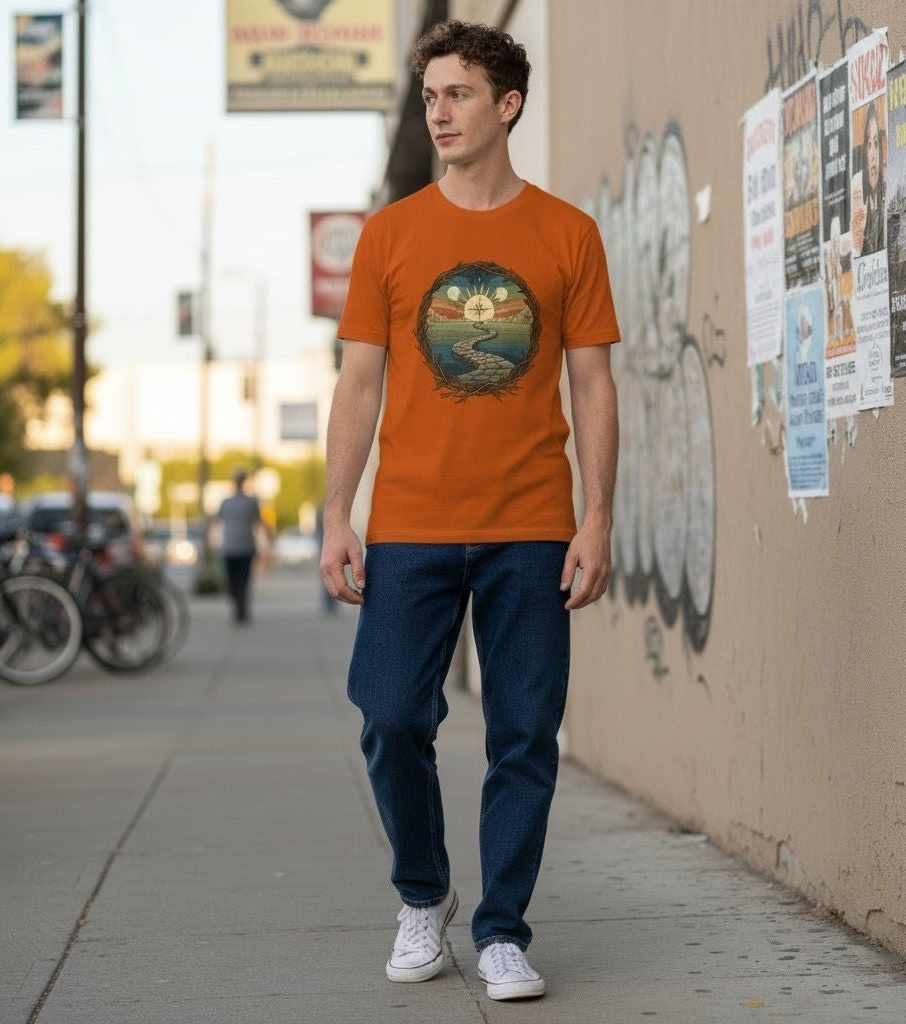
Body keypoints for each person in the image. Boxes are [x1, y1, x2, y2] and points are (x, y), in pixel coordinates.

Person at [319, 20, 620, 1002]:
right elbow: (358, 384)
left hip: (532, 521)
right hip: (409, 522)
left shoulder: (565, 233)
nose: (437, 112)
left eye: (456, 95)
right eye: (429, 96)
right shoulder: (391, 234)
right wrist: (336, 514)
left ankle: (501, 931)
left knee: (525, 729)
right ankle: (423, 894)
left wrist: (598, 519)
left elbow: (594, 386)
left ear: (507, 106)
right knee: (391, 714)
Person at [216, 467, 268, 624]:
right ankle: (240, 608)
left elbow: (258, 524)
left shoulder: (240, 502)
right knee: (240, 581)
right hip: (238, 546)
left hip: (237, 547)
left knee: (237, 581)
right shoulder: (242, 502)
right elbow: (259, 524)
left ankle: (240, 609)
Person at [857, 99, 886, 256]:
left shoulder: (888, 205)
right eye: (868, 145)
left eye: (876, 143)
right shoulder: (861, 216)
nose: (873, 155)